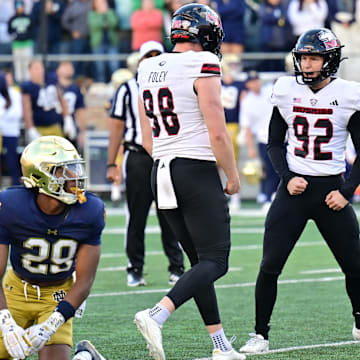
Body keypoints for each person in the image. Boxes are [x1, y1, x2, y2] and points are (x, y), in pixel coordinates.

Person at [240, 28, 360, 354]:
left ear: (330, 59)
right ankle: (260, 335)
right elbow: (275, 143)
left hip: (331, 191)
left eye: (314, 57)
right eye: (304, 57)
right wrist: (287, 176)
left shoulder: (349, 94)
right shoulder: (286, 90)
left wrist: (347, 191)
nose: (307, 64)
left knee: (354, 265)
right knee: (269, 265)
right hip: (293, 190)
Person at [135, 4, 244, 360]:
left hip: (161, 168)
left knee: (199, 261)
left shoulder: (147, 66)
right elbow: (217, 131)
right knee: (217, 260)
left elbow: (148, 137)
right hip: (193, 167)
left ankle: (220, 345)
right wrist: (232, 174)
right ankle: (158, 313)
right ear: (206, 34)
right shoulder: (202, 64)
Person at [0, 135, 105, 360]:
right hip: (16, 290)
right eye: (64, 170)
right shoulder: (10, 206)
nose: (75, 176)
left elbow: (85, 280)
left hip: (57, 295)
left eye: (75, 168)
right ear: (40, 175)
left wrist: (53, 322)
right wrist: (5, 322)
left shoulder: (90, 210)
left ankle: (84, 357)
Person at [106, 40, 185, 287]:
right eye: (147, 56)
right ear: (139, 61)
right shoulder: (128, 88)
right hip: (138, 156)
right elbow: (117, 126)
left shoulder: (175, 84)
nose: (151, 59)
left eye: (156, 55)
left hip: (166, 154)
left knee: (170, 212)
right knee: (136, 215)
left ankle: (177, 266)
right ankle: (135, 267)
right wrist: (111, 162)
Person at [240, 71, 279, 210]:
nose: (256, 83)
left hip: (280, 136)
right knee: (268, 169)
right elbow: (247, 127)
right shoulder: (247, 102)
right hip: (263, 139)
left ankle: (276, 195)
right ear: (248, 84)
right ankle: (267, 196)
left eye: (257, 80)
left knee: (282, 168)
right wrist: (250, 148)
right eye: (252, 81)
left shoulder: (269, 91)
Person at [21, 60, 76, 143]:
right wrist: (31, 129)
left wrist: (68, 119)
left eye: (40, 68)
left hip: (55, 125)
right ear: (30, 71)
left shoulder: (51, 80)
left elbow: (62, 100)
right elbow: (26, 110)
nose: (39, 71)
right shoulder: (28, 87)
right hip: (39, 128)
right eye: (36, 68)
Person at [56, 61, 87, 151]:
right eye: (65, 66)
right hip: (54, 126)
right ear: (58, 70)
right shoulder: (52, 86)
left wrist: (82, 132)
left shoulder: (76, 89)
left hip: (70, 128)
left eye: (70, 67)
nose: (68, 69)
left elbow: (80, 110)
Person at [0, 69, 22, 186]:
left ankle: (15, 184)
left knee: (12, 159)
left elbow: (17, 113)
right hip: (1, 131)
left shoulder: (16, 93)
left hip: (11, 132)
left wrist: (3, 113)